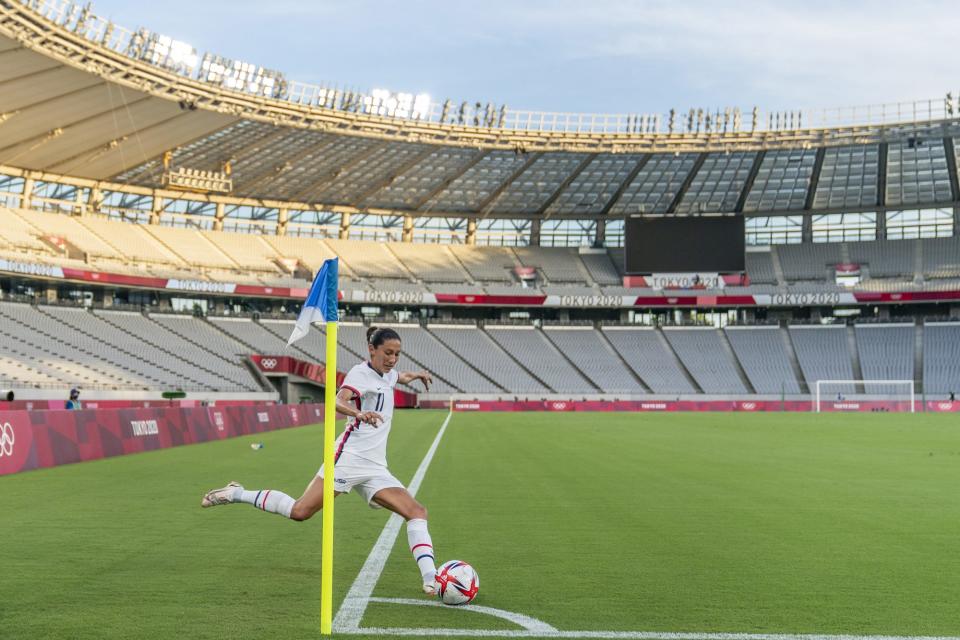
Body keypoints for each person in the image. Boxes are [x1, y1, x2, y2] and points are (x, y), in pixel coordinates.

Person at [201, 327, 437, 594]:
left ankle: (431, 579)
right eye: (388, 353)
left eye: (397, 354)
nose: (393, 359)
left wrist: (414, 376)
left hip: (375, 467)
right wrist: (358, 414)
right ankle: (236, 493)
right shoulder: (360, 374)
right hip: (348, 459)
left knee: (417, 512)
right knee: (300, 511)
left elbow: (397, 376)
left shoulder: (389, 373)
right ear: (372, 350)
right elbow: (337, 400)